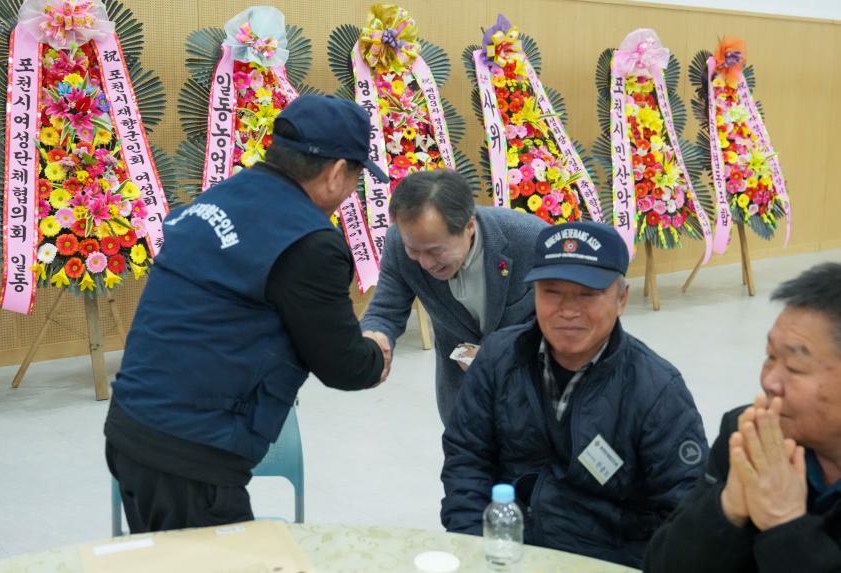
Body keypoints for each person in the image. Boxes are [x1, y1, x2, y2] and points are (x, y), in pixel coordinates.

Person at [105, 95, 392, 533]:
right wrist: (376, 352)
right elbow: (344, 365)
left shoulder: (223, 195)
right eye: (355, 176)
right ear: (337, 173)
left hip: (133, 427)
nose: (351, 189)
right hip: (190, 455)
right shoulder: (308, 241)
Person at [440, 221, 708, 568]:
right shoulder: (498, 357)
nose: (568, 311)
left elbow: (685, 512)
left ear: (621, 298)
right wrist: (474, 549)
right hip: (507, 553)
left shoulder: (657, 390)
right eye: (551, 291)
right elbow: (467, 458)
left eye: (587, 294)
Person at [645, 262, 841, 573]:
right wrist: (728, 508)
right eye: (770, 356)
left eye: (794, 368)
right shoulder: (746, 437)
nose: (769, 382)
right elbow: (661, 565)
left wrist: (784, 524)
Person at [360, 169, 548, 423]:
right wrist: (374, 338)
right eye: (414, 251)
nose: (425, 263)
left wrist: (504, 355)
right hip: (462, 401)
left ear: (469, 226)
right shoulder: (398, 243)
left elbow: (571, 325)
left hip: (534, 397)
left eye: (436, 251)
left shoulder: (532, 240)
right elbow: (385, 310)